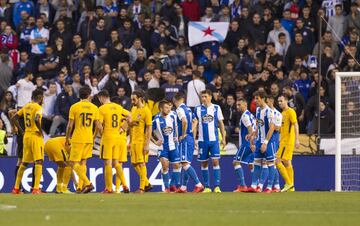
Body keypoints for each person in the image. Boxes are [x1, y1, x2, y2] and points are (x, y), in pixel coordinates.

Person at [63, 86, 101, 194]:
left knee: (72, 162)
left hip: (78, 138)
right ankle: (80, 188)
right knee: (83, 162)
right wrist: (93, 137)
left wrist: (67, 138)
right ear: (89, 95)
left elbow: (70, 126)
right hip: (88, 138)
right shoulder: (94, 108)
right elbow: (98, 126)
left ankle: (88, 183)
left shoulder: (74, 107)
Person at [12, 89, 44, 194]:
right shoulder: (38, 107)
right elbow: (36, 119)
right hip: (35, 136)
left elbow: (14, 117)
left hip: (26, 136)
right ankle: (35, 188)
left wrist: (22, 131)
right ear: (40, 97)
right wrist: (41, 131)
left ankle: (16, 188)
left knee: (24, 162)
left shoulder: (26, 106)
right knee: (39, 161)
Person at [193, 89, 226, 193]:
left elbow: (221, 123)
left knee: (215, 161)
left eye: (206, 96)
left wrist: (224, 138)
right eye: (202, 97)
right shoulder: (197, 109)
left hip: (214, 140)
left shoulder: (216, 108)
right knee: (204, 163)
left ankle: (217, 186)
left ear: (210, 97)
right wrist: (194, 139)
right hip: (202, 141)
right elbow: (195, 124)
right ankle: (207, 186)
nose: (204, 99)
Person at [97, 90, 130, 194]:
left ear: (101, 97)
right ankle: (124, 185)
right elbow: (129, 115)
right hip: (117, 137)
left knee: (108, 163)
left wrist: (101, 132)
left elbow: (99, 125)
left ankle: (109, 188)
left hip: (108, 137)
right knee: (116, 162)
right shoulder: (118, 107)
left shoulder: (101, 108)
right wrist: (123, 128)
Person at [173, 92, 204, 193]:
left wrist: (183, 134)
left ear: (175, 101)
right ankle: (183, 187)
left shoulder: (179, 109)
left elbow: (184, 121)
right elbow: (195, 121)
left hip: (185, 139)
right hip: (190, 138)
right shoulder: (189, 110)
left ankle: (198, 184)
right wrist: (190, 131)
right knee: (187, 163)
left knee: (184, 163)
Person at [248, 90, 276, 193]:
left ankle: (269, 187)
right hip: (259, 141)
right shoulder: (258, 110)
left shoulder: (269, 112)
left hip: (268, 142)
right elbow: (258, 125)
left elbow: (272, 128)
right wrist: (253, 134)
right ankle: (254, 185)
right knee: (257, 162)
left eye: (257, 99)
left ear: (263, 99)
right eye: (255, 98)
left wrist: (266, 142)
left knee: (270, 163)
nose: (255, 101)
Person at [151, 100, 180, 193]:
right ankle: (167, 187)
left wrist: (178, 136)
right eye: (166, 107)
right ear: (161, 108)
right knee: (165, 166)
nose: (169, 109)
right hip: (163, 147)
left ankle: (172, 185)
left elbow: (180, 124)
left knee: (176, 165)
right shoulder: (156, 120)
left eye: (169, 107)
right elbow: (148, 132)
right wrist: (155, 142)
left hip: (173, 145)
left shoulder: (173, 115)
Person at [129, 90, 152, 193]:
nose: (132, 101)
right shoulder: (133, 109)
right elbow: (131, 125)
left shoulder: (146, 111)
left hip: (141, 141)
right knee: (134, 163)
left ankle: (142, 187)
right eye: (131, 99)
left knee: (141, 163)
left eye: (134, 99)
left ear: (140, 98)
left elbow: (149, 129)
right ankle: (147, 184)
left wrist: (147, 144)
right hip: (133, 140)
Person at [276, 94, 300, 192]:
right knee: (287, 162)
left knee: (277, 161)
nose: (280, 103)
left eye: (281, 101)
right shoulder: (282, 113)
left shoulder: (291, 111)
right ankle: (292, 186)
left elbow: (295, 125)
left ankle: (289, 183)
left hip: (287, 141)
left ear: (286, 101)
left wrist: (297, 139)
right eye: (279, 101)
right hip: (283, 140)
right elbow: (282, 129)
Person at [233, 98, 256, 192]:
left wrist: (251, 143)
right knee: (251, 165)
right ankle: (256, 185)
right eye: (237, 105)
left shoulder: (245, 116)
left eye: (239, 104)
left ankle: (242, 185)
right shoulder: (251, 115)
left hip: (246, 144)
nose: (237, 106)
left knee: (235, 162)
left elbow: (250, 129)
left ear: (245, 104)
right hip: (252, 143)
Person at [265, 95, 282, 193]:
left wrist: (270, 126)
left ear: (271, 101)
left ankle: (275, 185)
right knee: (269, 163)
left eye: (267, 102)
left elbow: (277, 128)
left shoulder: (277, 114)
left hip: (274, 140)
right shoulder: (264, 112)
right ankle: (276, 186)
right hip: (267, 139)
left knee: (272, 163)